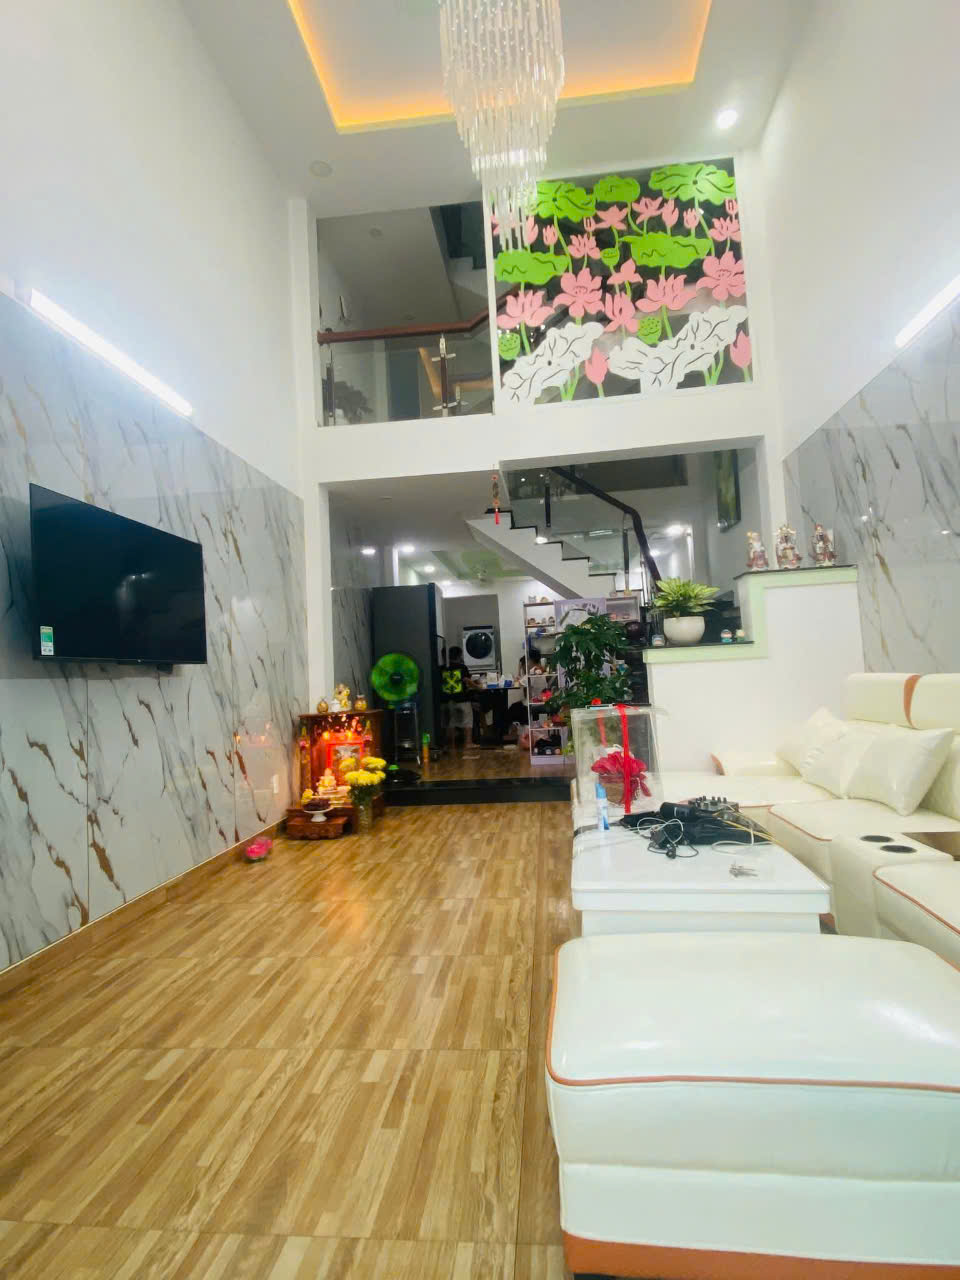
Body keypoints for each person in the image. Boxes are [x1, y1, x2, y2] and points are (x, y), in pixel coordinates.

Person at [441, 645, 479, 752]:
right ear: (459, 656)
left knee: (449, 722)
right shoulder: (462, 667)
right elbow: (467, 681)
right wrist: (478, 687)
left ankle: (449, 744)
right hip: (461, 700)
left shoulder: (441, 668)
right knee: (468, 720)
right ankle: (468, 743)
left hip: (445, 700)